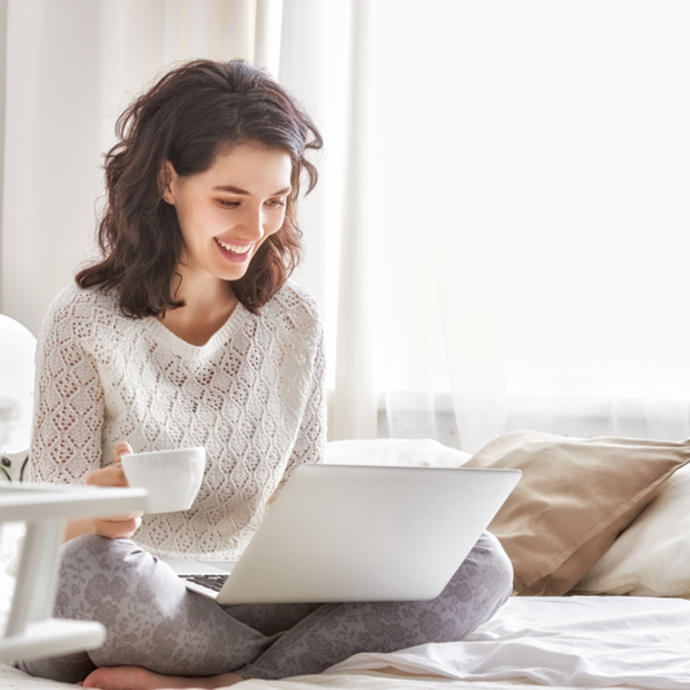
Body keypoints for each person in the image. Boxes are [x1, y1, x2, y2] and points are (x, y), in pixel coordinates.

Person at [20, 59, 513, 689]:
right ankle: (278, 664)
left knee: (480, 559)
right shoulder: (85, 318)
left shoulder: (294, 321)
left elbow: (297, 500)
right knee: (89, 570)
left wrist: (368, 538)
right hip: (112, 593)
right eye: (230, 201)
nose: (255, 229)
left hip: (241, 593)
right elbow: (50, 531)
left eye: (275, 203)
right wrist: (102, 512)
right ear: (168, 181)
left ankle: (217, 682)